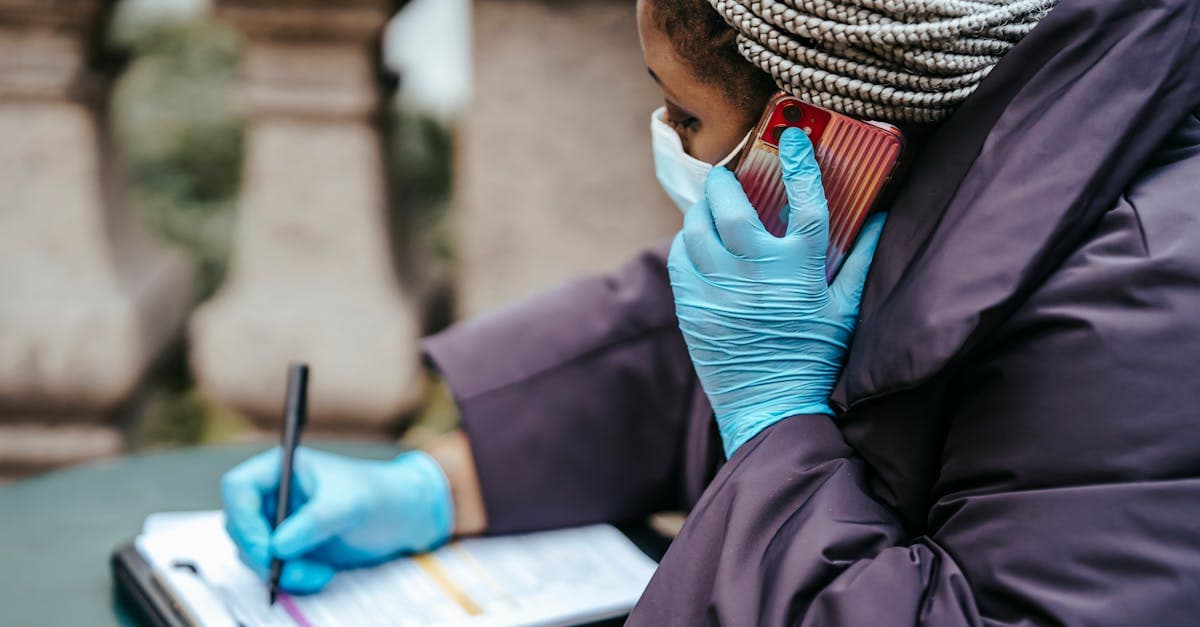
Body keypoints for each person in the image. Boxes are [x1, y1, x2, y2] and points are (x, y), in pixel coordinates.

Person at [221, 0, 1200, 623]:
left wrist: (776, 424)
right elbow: (695, 334)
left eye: (685, 116)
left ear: (821, 136)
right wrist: (439, 488)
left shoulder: (1147, 295)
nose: (670, 145)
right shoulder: (953, 154)